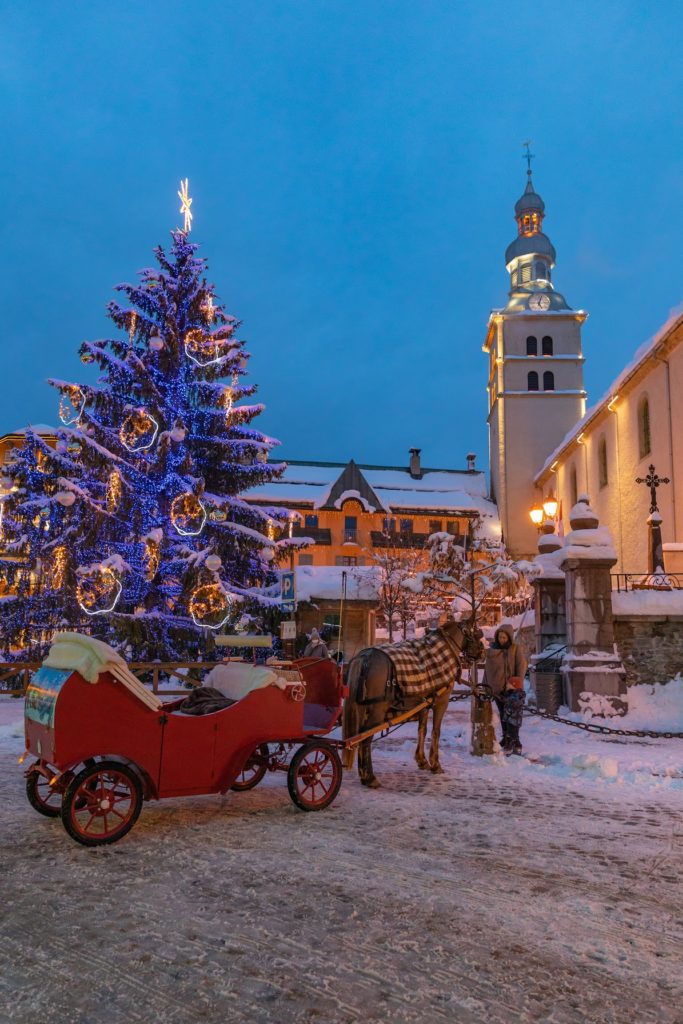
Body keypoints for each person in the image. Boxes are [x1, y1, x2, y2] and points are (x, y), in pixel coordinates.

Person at [483, 623, 527, 754]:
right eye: (500, 637)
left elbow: (521, 666)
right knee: (503, 714)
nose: (502, 640)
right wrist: (486, 685)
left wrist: (515, 684)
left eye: (504, 637)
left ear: (509, 638)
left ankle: (515, 739)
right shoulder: (493, 650)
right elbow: (487, 670)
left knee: (513, 715)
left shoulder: (515, 649)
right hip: (498, 688)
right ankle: (506, 737)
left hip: (511, 689)